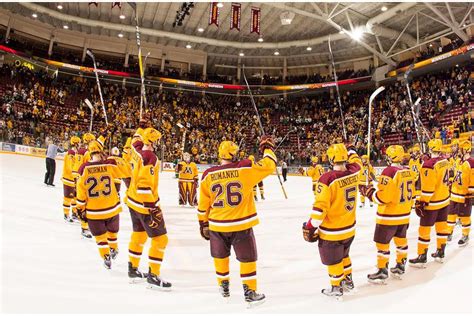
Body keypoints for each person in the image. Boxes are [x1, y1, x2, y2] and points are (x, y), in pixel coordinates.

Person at [197, 136, 276, 307]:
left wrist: (202, 222)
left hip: (217, 224)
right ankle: (250, 291)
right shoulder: (244, 168)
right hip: (241, 223)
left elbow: (203, 204)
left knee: (220, 256)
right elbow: (270, 165)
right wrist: (267, 149)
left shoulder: (207, 175)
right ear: (234, 154)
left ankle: (223, 286)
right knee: (247, 258)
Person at [302, 143, 362, 298]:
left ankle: (336, 287)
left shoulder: (327, 179)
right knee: (344, 255)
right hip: (350, 227)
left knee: (334, 260)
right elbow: (357, 161)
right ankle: (348, 280)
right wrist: (351, 149)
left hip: (333, 230)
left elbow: (320, 209)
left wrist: (310, 226)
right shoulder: (354, 171)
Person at [360, 145, 415, 282]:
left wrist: (370, 193)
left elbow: (384, 198)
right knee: (401, 241)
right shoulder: (408, 171)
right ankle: (401, 264)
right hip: (404, 215)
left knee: (382, 244)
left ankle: (382, 269)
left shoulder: (389, 172)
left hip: (389, 216)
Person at [126, 127, 172, 290]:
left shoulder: (136, 149)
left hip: (132, 202)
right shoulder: (150, 157)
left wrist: (141, 126)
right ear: (153, 142)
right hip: (145, 205)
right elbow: (144, 186)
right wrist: (152, 208)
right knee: (161, 239)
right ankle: (153, 275)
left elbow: (135, 140)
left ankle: (132, 269)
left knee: (138, 235)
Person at [76, 140, 124, 269]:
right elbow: (124, 172)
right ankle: (113, 248)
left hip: (94, 211)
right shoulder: (109, 164)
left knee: (100, 236)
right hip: (112, 207)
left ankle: (106, 255)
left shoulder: (84, 168)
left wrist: (80, 208)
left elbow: (80, 192)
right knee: (112, 233)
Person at [409, 139, 450, 267]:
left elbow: (428, 188)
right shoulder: (445, 161)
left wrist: (422, 202)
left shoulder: (429, 164)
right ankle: (440, 251)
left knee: (424, 230)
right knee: (442, 227)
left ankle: (422, 255)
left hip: (433, 203)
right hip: (445, 200)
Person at [448, 139, 472, 246]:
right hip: (454, 192)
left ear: (466, 150)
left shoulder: (471, 163)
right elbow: (455, 175)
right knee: (451, 214)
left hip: (464, 194)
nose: (459, 151)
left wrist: (469, 194)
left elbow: (472, 181)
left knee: (464, 216)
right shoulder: (458, 161)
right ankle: (449, 232)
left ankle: (465, 235)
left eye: (460, 149)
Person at [61, 136, 81, 223]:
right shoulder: (71, 153)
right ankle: (66, 214)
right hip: (69, 179)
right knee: (68, 198)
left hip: (73, 179)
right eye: (79, 143)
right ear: (76, 143)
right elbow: (71, 167)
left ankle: (74, 213)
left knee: (74, 198)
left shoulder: (75, 153)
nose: (80, 144)